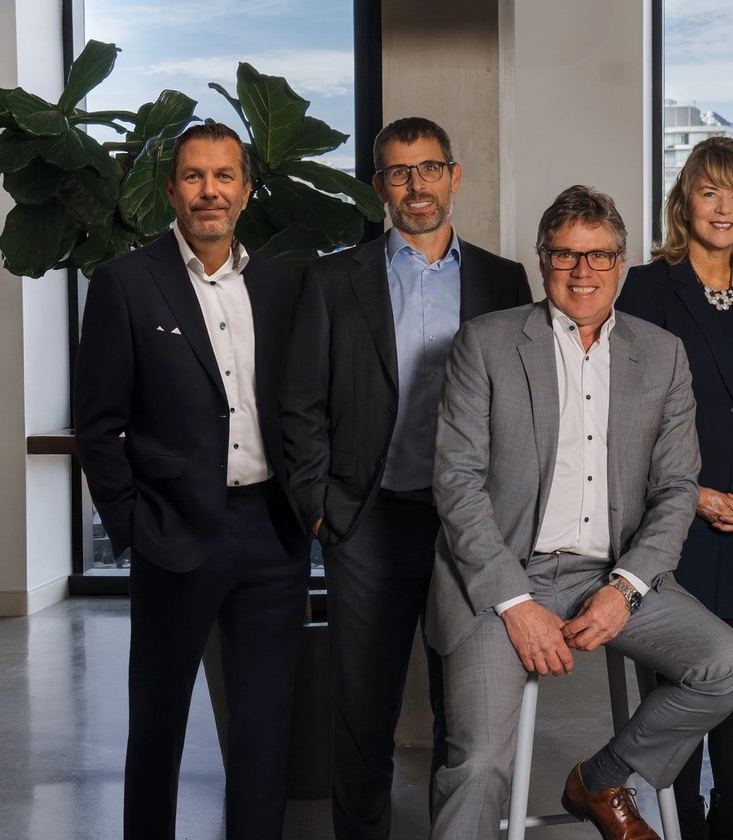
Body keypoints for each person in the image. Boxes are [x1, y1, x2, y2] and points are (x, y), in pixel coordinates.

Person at [426, 185, 733, 840]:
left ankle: (602, 777)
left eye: (600, 256)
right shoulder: (486, 344)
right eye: (566, 256)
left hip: (612, 572)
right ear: (543, 258)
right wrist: (515, 603)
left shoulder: (659, 354)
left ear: (621, 262)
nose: (583, 273)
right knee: (477, 763)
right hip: (498, 577)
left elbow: (675, 488)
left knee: (730, 663)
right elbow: (456, 484)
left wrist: (625, 591)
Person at [280, 116, 531, 840]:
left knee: (467, 711)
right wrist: (323, 509)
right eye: (398, 172)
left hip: (469, 529)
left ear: (454, 175)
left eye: (429, 169)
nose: (415, 185)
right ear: (378, 186)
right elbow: (300, 404)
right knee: (363, 711)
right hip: (369, 520)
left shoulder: (501, 279)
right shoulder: (332, 279)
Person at [74, 121, 310, 840]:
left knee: (265, 726)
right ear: (172, 188)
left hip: (272, 535)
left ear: (246, 189)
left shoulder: (280, 286)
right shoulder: (124, 283)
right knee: (158, 722)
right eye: (195, 176)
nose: (211, 191)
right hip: (174, 534)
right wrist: (136, 527)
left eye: (225, 176)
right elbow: (98, 426)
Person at [616, 136, 733, 840]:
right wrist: (687, 491)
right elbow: (627, 410)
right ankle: (680, 817)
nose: (723, 207)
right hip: (673, 519)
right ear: (683, 201)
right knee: (678, 684)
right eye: (709, 191)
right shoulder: (646, 288)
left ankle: (730, 818)